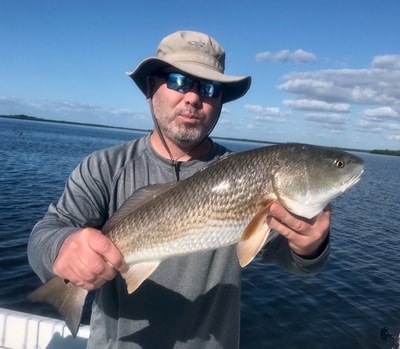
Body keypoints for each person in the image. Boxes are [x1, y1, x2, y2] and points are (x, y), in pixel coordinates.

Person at [28, 30, 331, 349]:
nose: (193, 97)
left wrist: (310, 245)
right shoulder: (104, 167)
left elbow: (295, 258)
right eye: (178, 81)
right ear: (150, 87)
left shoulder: (248, 173)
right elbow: (45, 233)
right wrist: (62, 247)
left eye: (209, 87)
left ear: (220, 102)